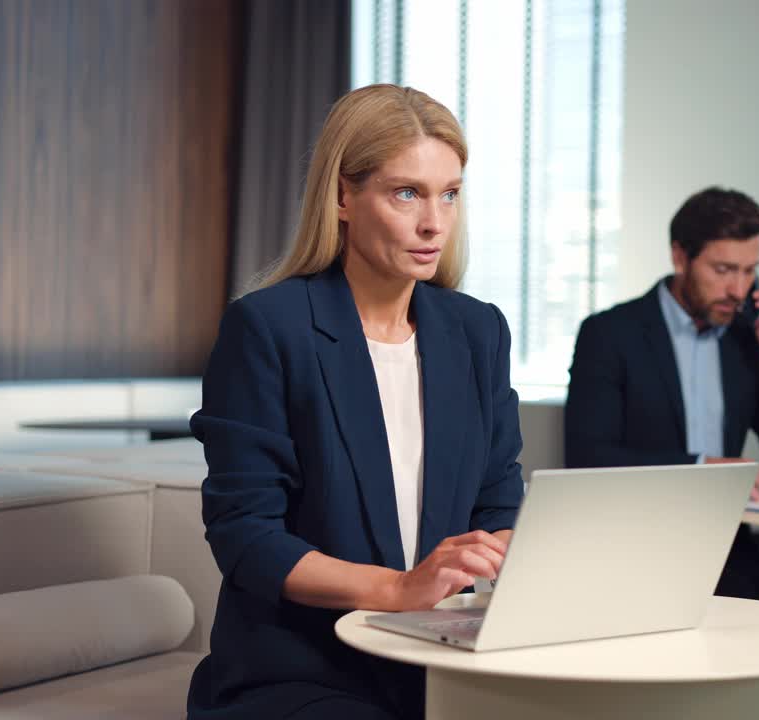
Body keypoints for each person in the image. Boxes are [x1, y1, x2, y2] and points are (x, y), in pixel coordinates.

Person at [186, 84, 524, 720]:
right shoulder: (268, 327)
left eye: (449, 194)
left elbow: (499, 501)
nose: (434, 222)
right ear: (343, 196)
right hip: (300, 673)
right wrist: (399, 589)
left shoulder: (478, 331)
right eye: (407, 193)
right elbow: (247, 537)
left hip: (439, 660)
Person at [563, 187, 759, 600]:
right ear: (680, 256)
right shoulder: (611, 333)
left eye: (750, 270)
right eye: (723, 270)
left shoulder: (746, 337)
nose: (739, 290)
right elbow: (588, 458)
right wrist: (707, 468)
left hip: (729, 558)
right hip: (633, 554)